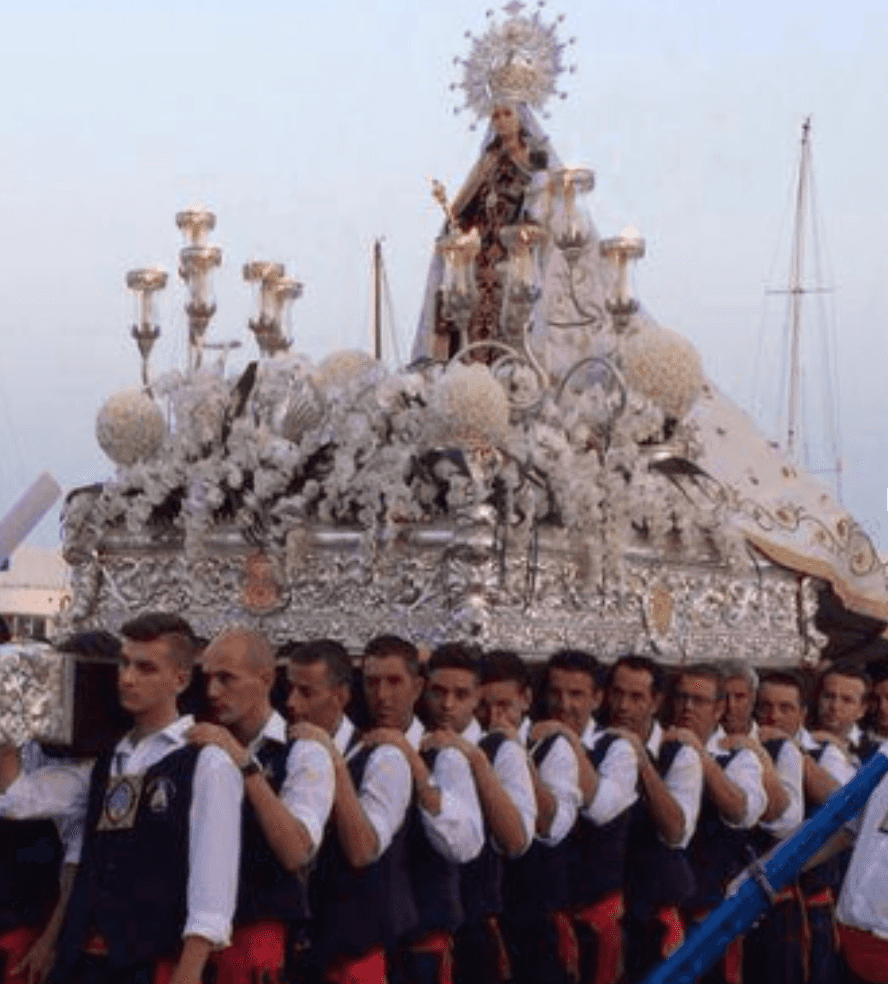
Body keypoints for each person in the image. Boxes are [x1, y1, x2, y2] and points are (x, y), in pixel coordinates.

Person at [0, 612, 243, 984]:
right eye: (125, 664)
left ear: (180, 679)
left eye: (146, 668)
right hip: (83, 962)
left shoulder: (207, 762)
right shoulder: (108, 758)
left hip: (149, 963)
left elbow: (213, 883)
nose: (128, 678)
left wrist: (189, 970)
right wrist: (7, 720)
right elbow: (20, 798)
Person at [187, 627, 335, 984]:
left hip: (257, 943)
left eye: (227, 678)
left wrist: (244, 765)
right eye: (208, 679)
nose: (213, 692)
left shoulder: (304, 752)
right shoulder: (196, 746)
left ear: (266, 680)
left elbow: (296, 852)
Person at [419, 644, 536, 984]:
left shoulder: (500, 750)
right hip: (415, 935)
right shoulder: (413, 745)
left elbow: (516, 841)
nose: (447, 705)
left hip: (475, 933)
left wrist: (475, 760)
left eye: (460, 694)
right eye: (438, 692)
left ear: (477, 697)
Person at [537, 649, 638, 984]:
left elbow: (601, 808)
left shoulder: (616, 748)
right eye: (556, 693)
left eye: (576, 694)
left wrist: (567, 742)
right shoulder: (533, 741)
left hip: (594, 922)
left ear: (597, 698)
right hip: (541, 919)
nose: (564, 704)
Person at [666, 662, 766, 984]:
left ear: (719, 708)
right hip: (658, 914)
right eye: (681, 698)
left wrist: (700, 755)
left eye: (698, 701)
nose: (687, 708)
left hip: (708, 917)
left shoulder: (738, 756)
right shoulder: (661, 746)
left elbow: (741, 811)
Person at [605, 655, 702, 983]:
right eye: (617, 694)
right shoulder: (593, 744)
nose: (623, 706)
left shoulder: (678, 753)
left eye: (636, 697)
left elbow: (675, 832)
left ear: (656, 702)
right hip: (603, 913)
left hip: (652, 918)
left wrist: (642, 762)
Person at [757, 669, 854, 984]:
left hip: (805, 906)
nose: (773, 716)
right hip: (754, 903)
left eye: (785, 708)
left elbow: (847, 814)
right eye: (766, 706)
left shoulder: (823, 752)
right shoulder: (746, 746)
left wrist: (797, 754)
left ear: (802, 713)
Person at [814, 663, 870, 760]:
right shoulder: (798, 738)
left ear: (862, 710)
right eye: (828, 696)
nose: (835, 706)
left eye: (846, 700)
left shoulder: (875, 753)